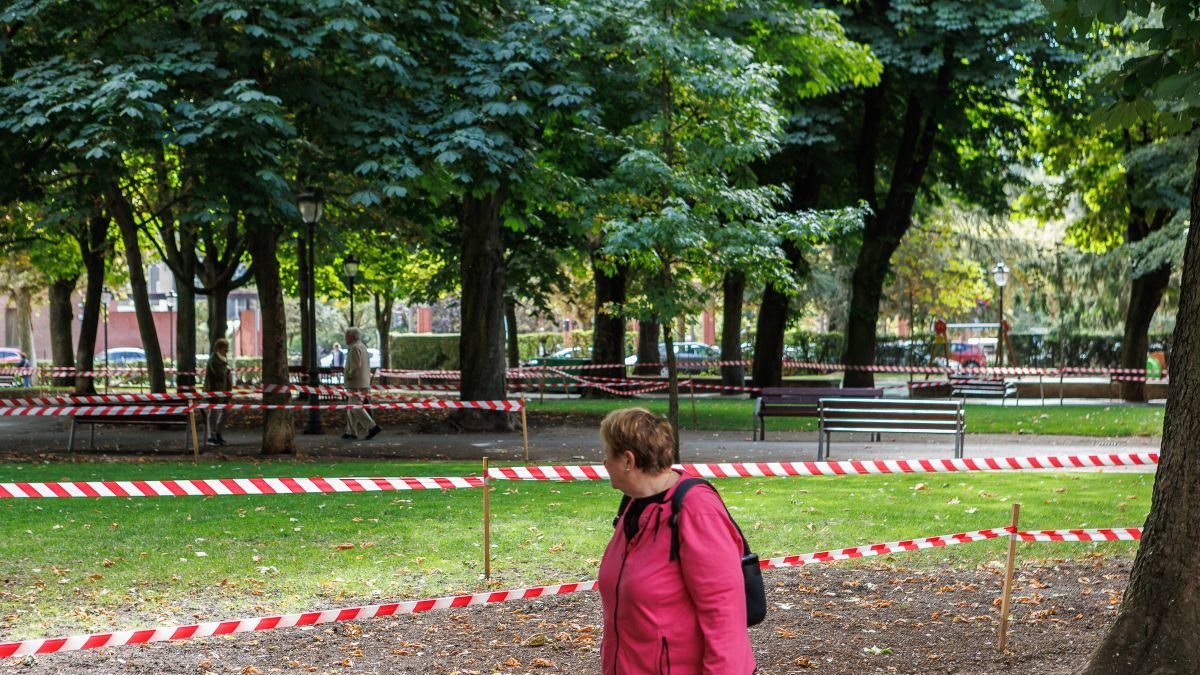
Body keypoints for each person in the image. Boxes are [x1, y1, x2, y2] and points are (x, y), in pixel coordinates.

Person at [597, 407, 755, 674]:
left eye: (606, 453)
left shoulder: (696, 510)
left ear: (628, 460)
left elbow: (725, 618)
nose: (603, 462)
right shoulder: (634, 505)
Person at [342, 327, 382, 441]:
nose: (345, 338)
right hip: (363, 382)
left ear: (352, 336)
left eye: (347, 335)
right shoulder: (362, 346)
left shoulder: (354, 348)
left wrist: (348, 375)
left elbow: (355, 367)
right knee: (351, 408)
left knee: (355, 408)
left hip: (356, 383)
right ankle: (351, 432)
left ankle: (372, 427)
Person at [203, 338, 233, 446]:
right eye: (225, 349)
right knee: (213, 412)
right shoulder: (213, 360)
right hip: (214, 390)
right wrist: (227, 370)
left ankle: (218, 433)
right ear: (219, 348)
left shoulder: (223, 359)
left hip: (224, 390)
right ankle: (211, 436)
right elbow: (218, 375)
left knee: (226, 411)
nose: (227, 351)